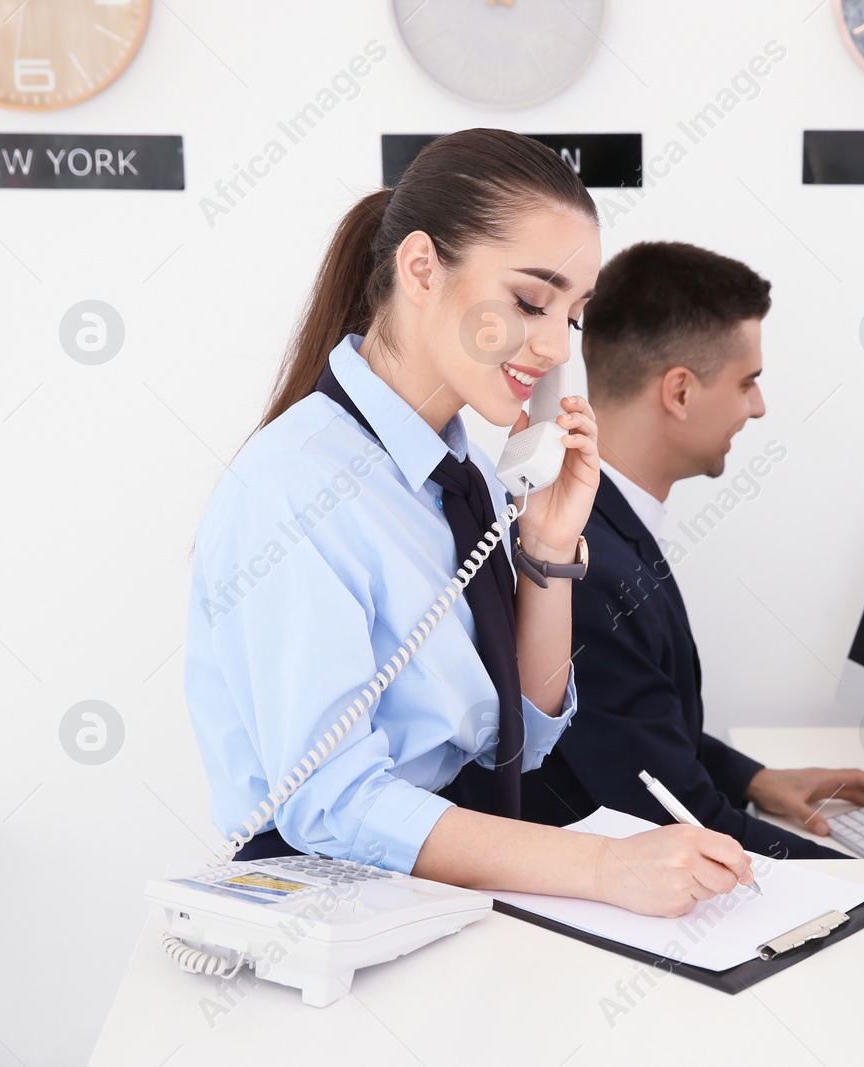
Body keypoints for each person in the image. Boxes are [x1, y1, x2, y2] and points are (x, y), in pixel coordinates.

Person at [183, 131, 754, 918]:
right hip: (338, 907)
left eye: (574, 316)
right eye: (529, 302)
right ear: (421, 269)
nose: (555, 348)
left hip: (446, 893)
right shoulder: (295, 486)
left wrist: (550, 553)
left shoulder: (469, 477)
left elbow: (522, 740)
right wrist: (601, 867)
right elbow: (331, 801)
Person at [521, 241, 864, 860]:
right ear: (680, 392)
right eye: (747, 382)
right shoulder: (587, 570)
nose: (758, 405)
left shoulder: (613, 528)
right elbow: (693, 831)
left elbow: (637, 730)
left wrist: (753, 778)